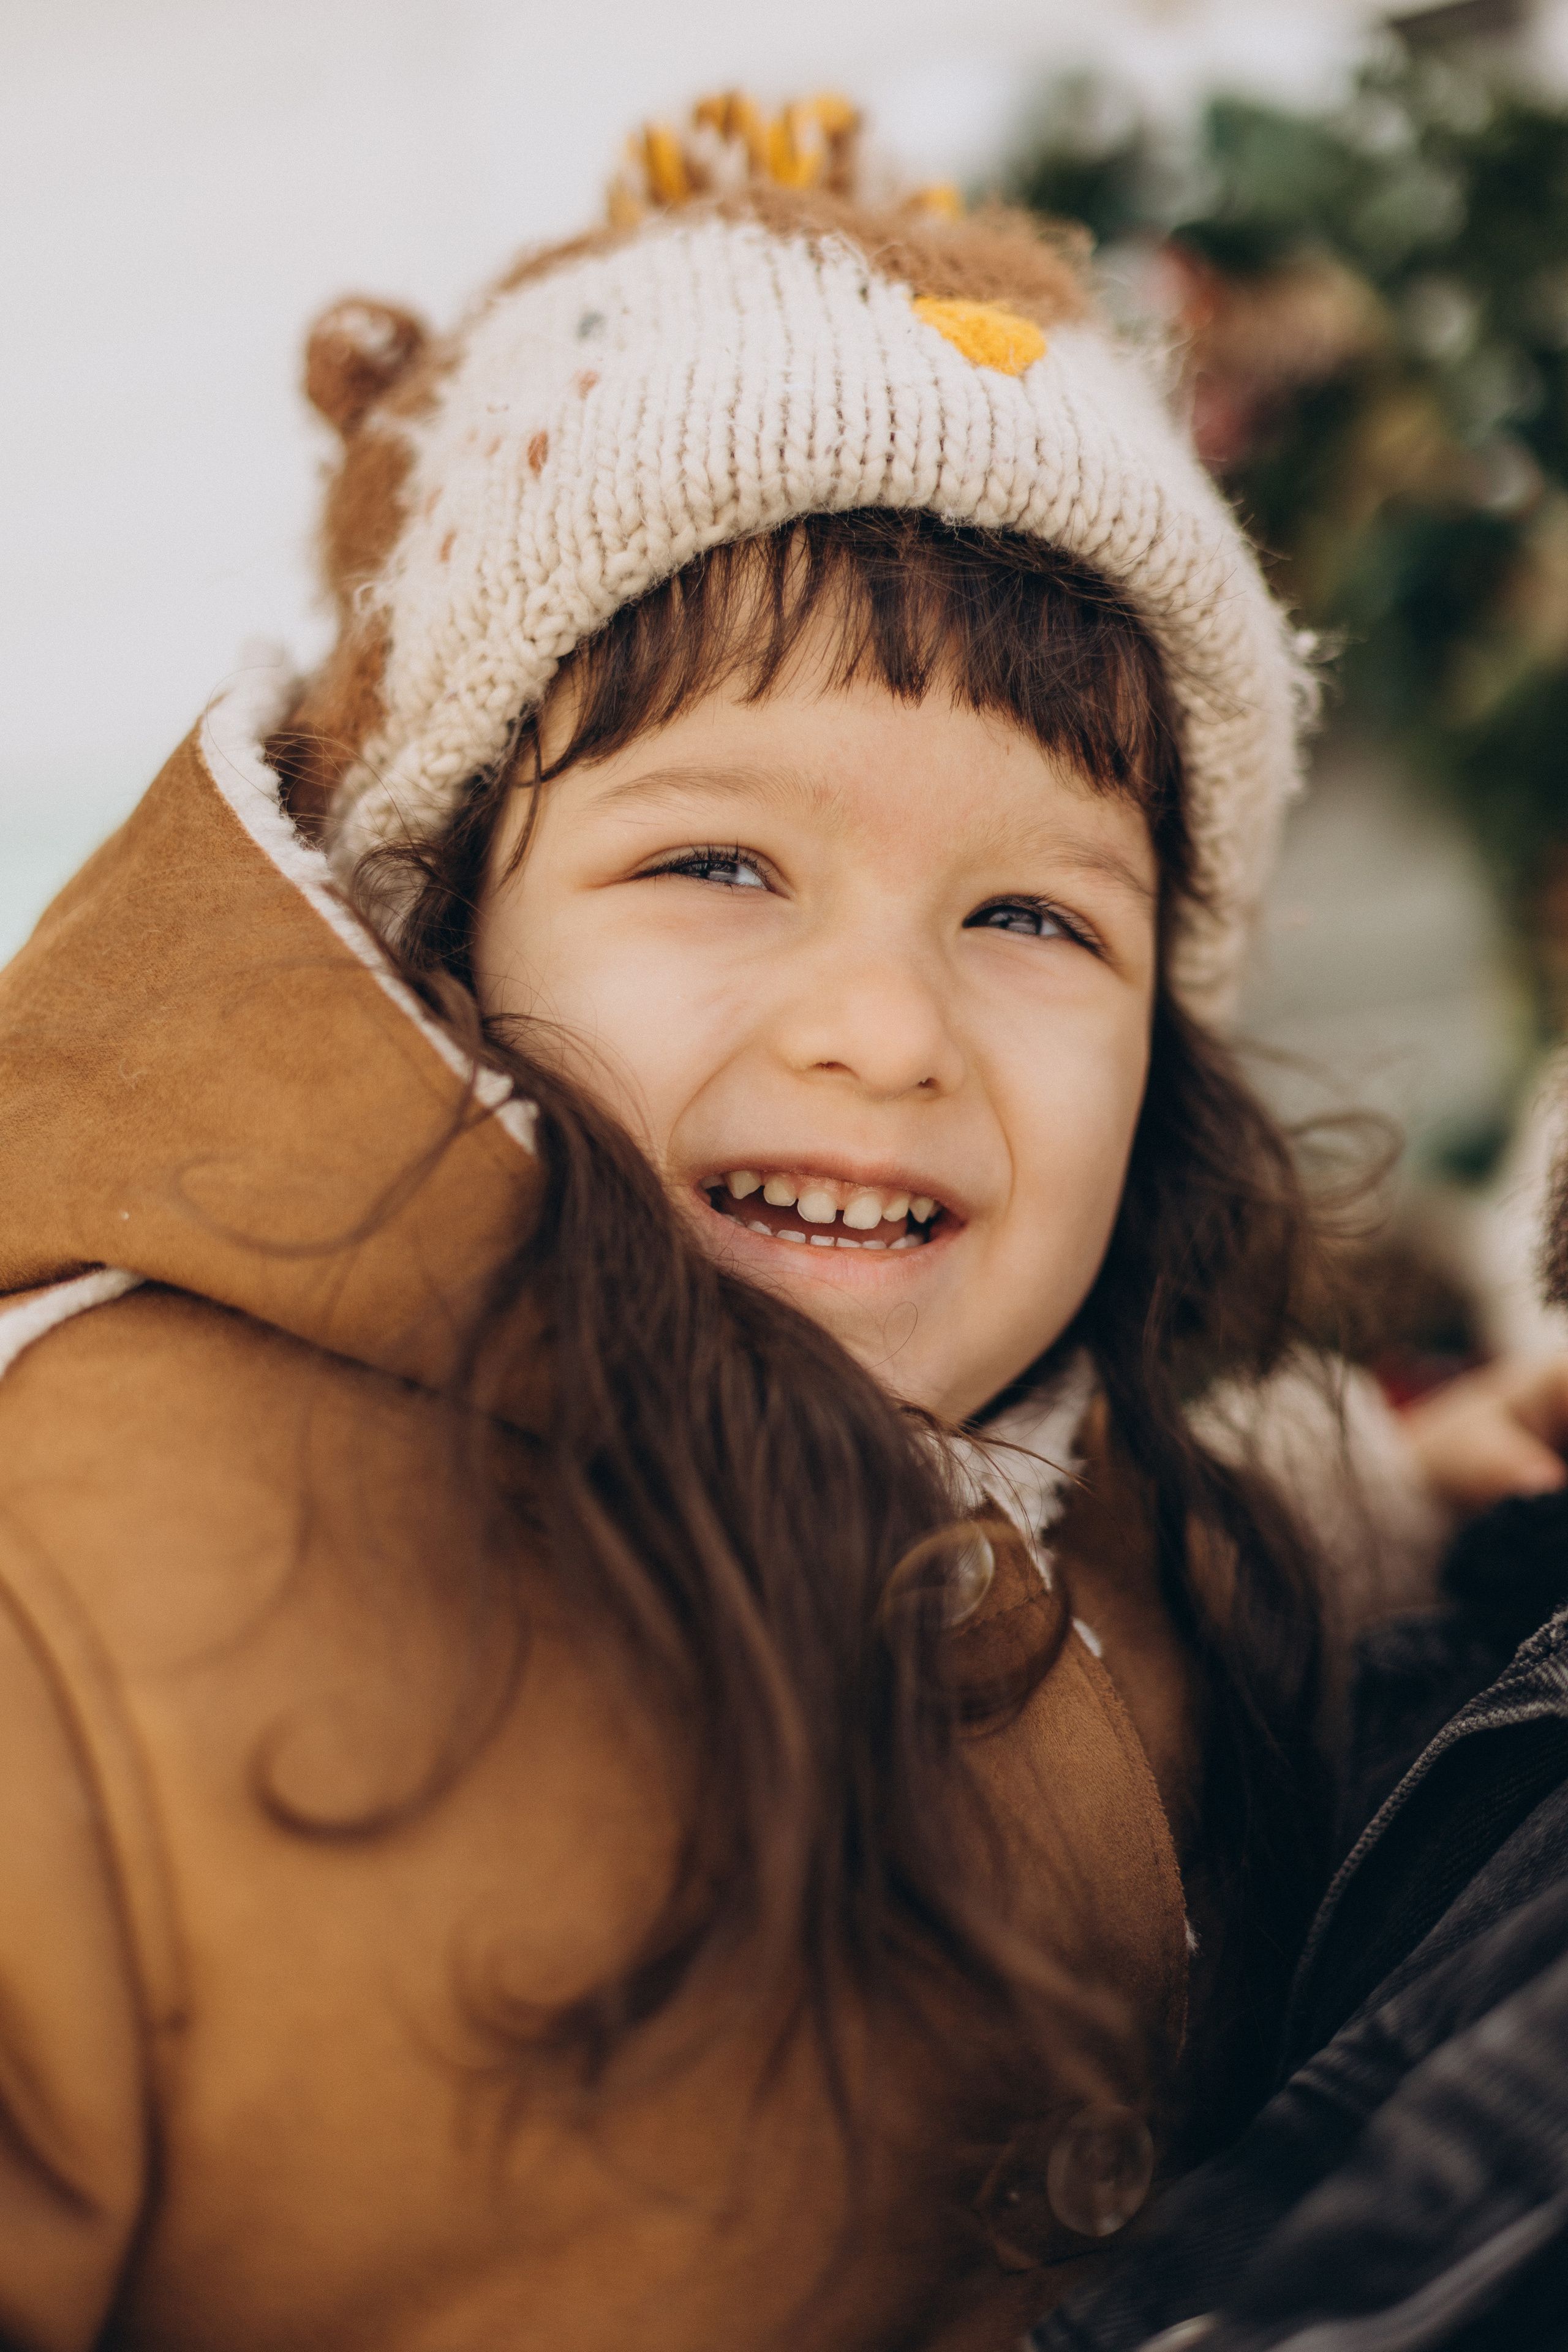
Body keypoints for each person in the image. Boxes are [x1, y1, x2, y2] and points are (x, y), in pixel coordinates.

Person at [0, 96, 1562, 2352]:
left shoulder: (1147, 1526)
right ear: (440, 922)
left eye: (1034, 913)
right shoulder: (78, 1567)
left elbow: (1073, 1542)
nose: (881, 1028)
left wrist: (1395, 1483)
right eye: (718, 864)